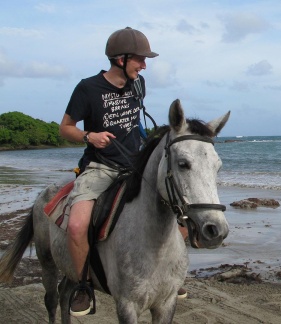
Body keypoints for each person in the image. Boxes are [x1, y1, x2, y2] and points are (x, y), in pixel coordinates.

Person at [59, 27, 186, 317]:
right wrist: (89, 136)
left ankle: (169, 278)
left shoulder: (138, 84)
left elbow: (135, 124)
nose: (144, 65)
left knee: (181, 212)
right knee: (78, 226)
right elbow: (64, 128)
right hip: (100, 167)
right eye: (140, 59)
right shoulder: (87, 88)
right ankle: (82, 286)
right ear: (120, 59)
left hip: (135, 166)